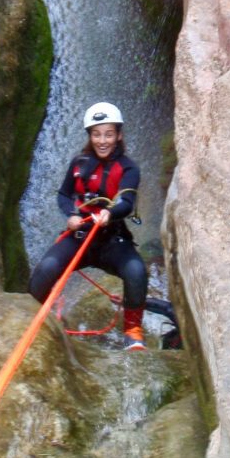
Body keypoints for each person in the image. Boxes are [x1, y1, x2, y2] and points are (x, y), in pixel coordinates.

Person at [29, 101, 148, 351]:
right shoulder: (78, 164)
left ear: (118, 135)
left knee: (136, 271)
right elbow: (63, 195)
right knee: (45, 270)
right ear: (90, 136)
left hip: (111, 239)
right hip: (79, 236)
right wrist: (71, 215)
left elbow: (127, 202)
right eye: (96, 134)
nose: (102, 140)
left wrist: (109, 212)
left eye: (108, 134)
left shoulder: (128, 168)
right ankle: (39, 320)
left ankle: (133, 331)